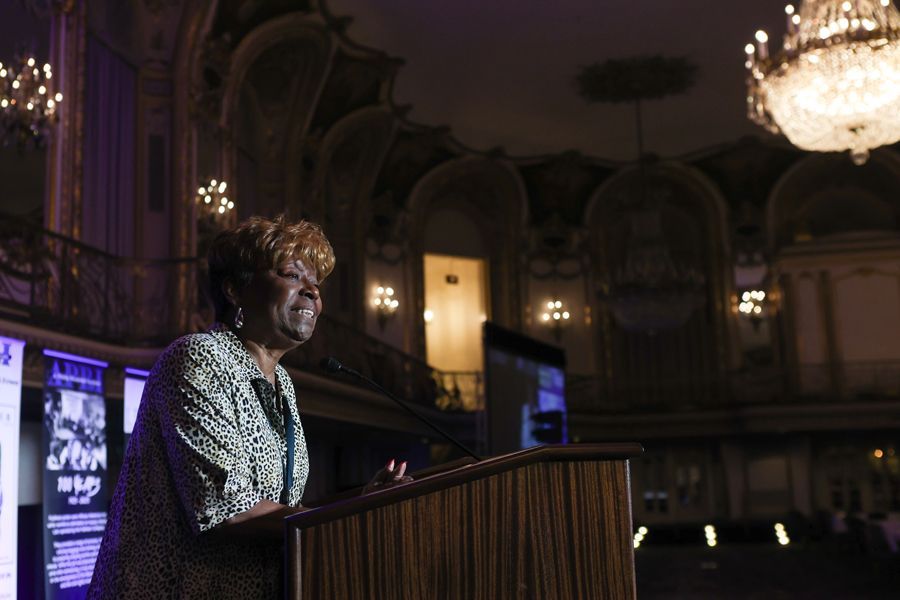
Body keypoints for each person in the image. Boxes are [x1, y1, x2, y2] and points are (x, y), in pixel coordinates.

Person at [87, 216, 409, 599]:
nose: (312, 293)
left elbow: (282, 508)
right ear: (235, 290)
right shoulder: (200, 357)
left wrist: (360, 501)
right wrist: (349, 518)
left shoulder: (282, 384)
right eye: (292, 275)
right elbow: (227, 508)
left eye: (316, 285)